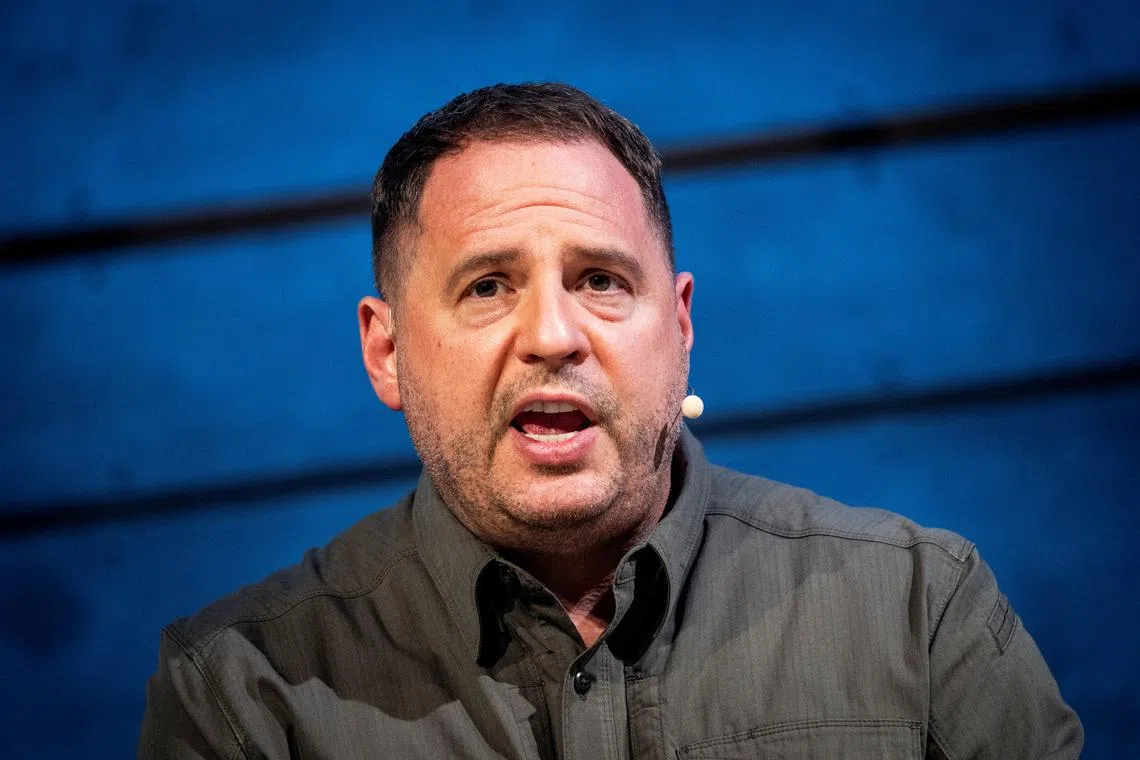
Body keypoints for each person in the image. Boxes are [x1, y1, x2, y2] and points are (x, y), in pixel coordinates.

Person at [139, 83, 1082, 759]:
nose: (553, 336)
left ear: (680, 327)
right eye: (487, 286)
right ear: (387, 352)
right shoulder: (241, 691)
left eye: (600, 280)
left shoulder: (919, 610)